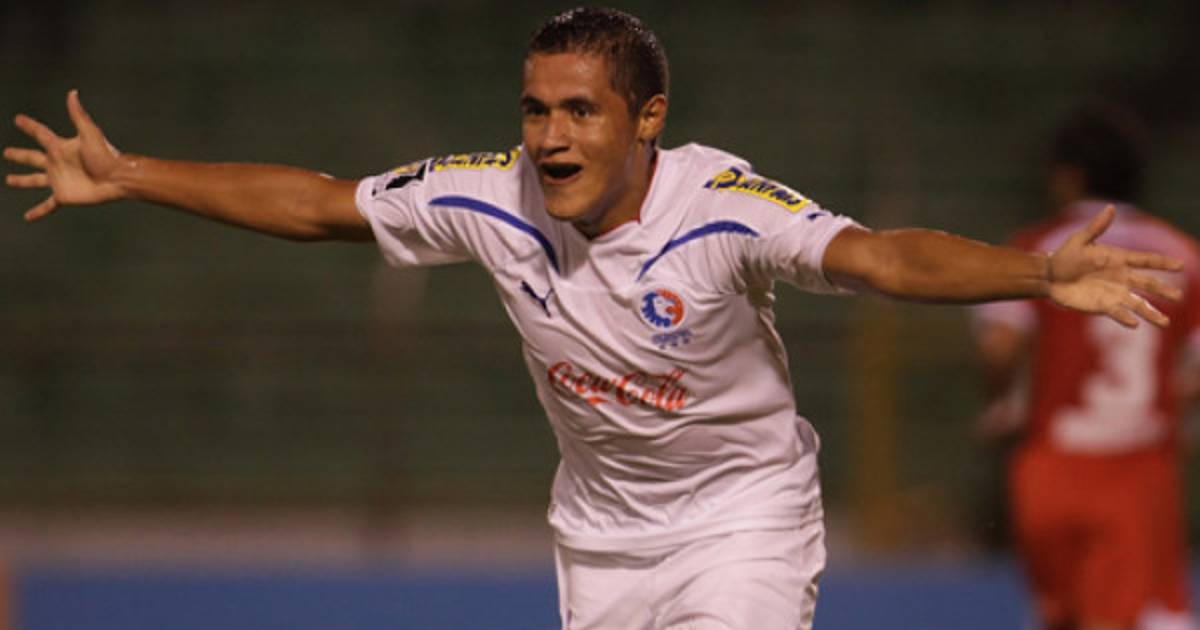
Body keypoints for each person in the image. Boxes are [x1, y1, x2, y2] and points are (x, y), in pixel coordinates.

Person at [3, 8, 1184, 630]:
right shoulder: (484, 195)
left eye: (580, 110)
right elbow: (317, 205)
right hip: (603, 540)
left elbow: (880, 257)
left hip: (743, 521)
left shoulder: (722, 207)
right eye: (535, 110)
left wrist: (1041, 277)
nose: (550, 136)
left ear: (646, 118)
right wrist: (131, 175)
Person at [972, 105, 1199, 630]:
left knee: (1062, 616)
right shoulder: (1180, 254)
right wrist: (1177, 408)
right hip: (1135, 468)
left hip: (1048, 465)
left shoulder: (1037, 248)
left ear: (1067, 176)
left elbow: (1000, 348)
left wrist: (1002, 402)